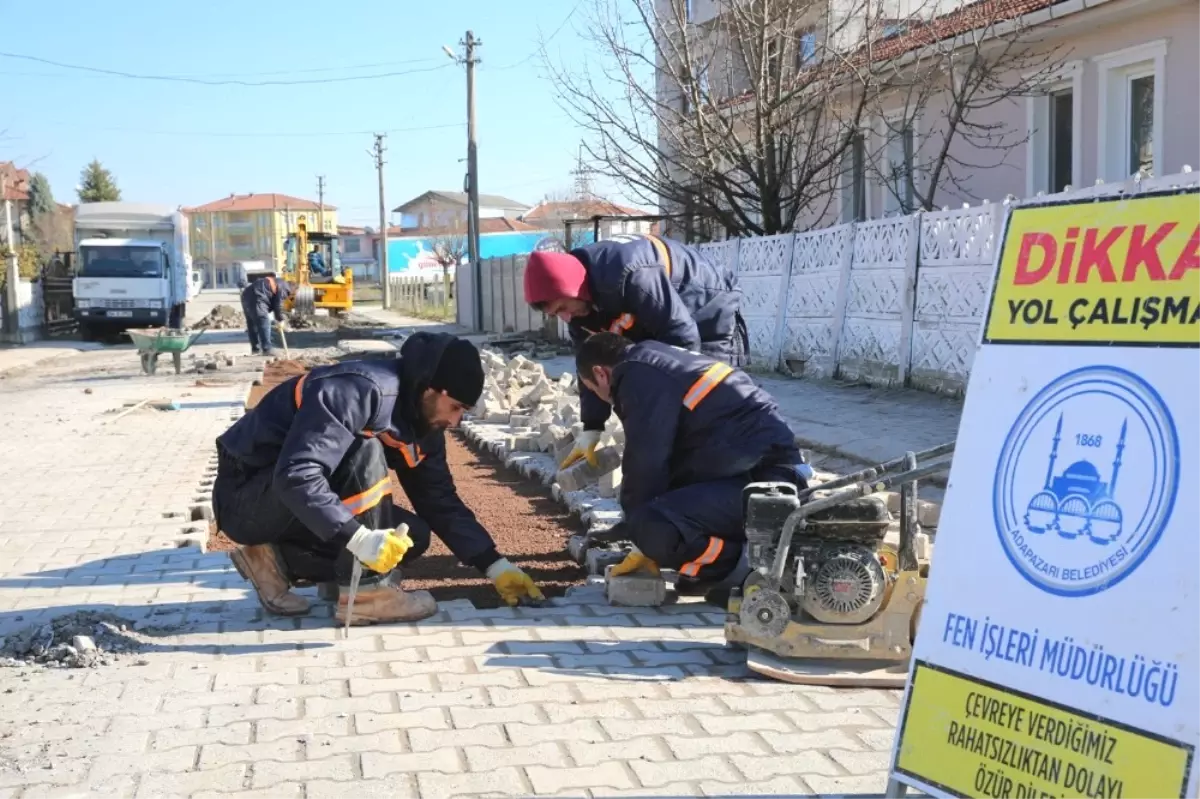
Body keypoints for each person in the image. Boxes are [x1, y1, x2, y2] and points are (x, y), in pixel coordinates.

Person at [212, 332, 544, 624]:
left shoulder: (422, 420)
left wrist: (495, 566)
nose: (456, 422)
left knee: (410, 536)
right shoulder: (358, 389)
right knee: (365, 448)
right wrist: (357, 538)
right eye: (456, 407)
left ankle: (273, 561)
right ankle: (368, 595)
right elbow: (297, 475)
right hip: (246, 498)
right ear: (432, 388)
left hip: (286, 507)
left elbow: (438, 500)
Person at [575, 332, 812, 600]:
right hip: (759, 470)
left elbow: (646, 459)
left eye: (595, 391)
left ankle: (741, 564)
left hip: (765, 484)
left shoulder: (636, 376)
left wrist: (640, 534)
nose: (603, 399)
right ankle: (736, 551)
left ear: (601, 373)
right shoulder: (656, 357)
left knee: (652, 527)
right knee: (660, 504)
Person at [523, 234, 747, 471]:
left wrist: (664, 409)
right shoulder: (578, 308)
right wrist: (592, 425)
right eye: (556, 313)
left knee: (712, 394)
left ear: (575, 288)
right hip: (659, 309)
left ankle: (736, 470)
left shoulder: (631, 274)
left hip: (706, 301)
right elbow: (590, 364)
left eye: (563, 307)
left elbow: (681, 337)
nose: (565, 318)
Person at [240, 264, 286, 356]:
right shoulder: (285, 286)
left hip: (246, 295)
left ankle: (255, 349)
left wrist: (277, 317)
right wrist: (280, 319)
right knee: (263, 320)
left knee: (252, 323)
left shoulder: (277, 282)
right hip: (257, 296)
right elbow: (278, 305)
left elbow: (273, 302)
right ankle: (267, 349)